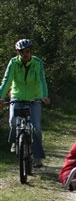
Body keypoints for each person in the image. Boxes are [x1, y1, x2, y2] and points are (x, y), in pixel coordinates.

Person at [0, 39, 50, 168]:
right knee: (12, 121)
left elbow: (42, 80)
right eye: (21, 52)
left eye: (27, 51)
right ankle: (15, 141)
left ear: (30, 51)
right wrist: (1, 96)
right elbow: (7, 80)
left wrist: (44, 96)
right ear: (18, 52)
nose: (25, 54)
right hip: (17, 96)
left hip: (35, 98)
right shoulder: (13, 63)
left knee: (36, 128)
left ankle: (37, 158)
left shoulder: (37, 63)